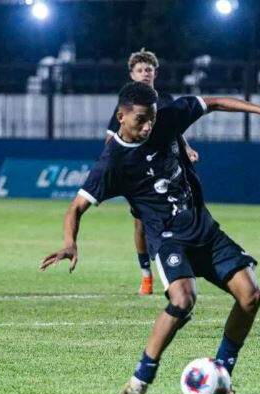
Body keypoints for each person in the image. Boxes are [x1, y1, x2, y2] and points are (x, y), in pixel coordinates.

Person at [40, 82, 260, 394]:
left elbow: (216, 100)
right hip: (167, 238)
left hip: (204, 229)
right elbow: (76, 207)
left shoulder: (167, 119)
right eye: (140, 121)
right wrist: (69, 242)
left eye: (151, 118)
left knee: (251, 296)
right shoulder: (113, 162)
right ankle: (137, 383)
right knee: (183, 298)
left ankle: (222, 373)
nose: (148, 126)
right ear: (121, 116)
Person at [105, 48, 199, 296]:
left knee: (186, 217)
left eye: (149, 69)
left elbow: (175, 130)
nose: (145, 73)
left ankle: (180, 270)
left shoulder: (166, 99)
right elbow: (110, 140)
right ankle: (146, 276)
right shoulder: (127, 105)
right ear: (131, 74)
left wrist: (187, 148)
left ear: (155, 72)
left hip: (172, 171)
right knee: (141, 225)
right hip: (143, 178)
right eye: (140, 70)